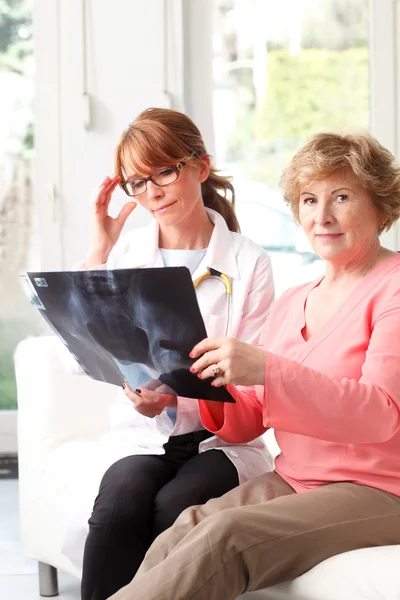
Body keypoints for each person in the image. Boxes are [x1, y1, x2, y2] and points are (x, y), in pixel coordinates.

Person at [107, 131, 400, 600]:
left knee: (226, 540)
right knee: (189, 525)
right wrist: (187, 386)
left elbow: (380, 412)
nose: (321, 216)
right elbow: (246, 420)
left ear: (381, 204)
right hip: (297, 478)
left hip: (382, 490)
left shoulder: (394, 289)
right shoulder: (293, 301)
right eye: (308, 199)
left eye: (341, 197)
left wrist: (265, 368)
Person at [69, 107, 275, 600]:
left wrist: (179, 399)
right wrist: (100, 248)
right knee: (119, 504)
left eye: (164, 171)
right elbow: (82, 351)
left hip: (221, 439)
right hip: (143, 434)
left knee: (175, 506)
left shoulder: (249, 263)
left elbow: (255, 381)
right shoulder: (127, 254)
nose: (152, 193)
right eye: (137, 182)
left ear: (200, 166)